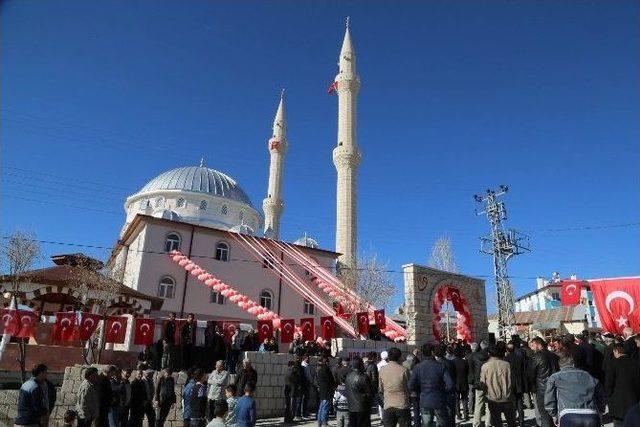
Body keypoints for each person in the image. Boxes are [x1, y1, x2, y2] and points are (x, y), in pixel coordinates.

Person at [544, 346, 605, 427]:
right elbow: (600, 396)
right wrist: (600, 411)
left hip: (568, 414)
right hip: (591, 414)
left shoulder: (554, 378)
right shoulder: (589, 376)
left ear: (560, 366)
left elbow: (549, 398)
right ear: (573, 364)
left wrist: (554, 415)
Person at [408, 342, 453, 427]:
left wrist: (420, 392)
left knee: (426, 424)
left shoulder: (417, 367)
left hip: (424, 399)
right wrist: (443, 392)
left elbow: (410, 385)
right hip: (439, 399)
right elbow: (450, 385)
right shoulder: (441, 366)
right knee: (442, 423)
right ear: (432, 352)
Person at [480, 342, 516, 427]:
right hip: (507, 397)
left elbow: (483, 383)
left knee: (497, 422)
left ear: (489, 354)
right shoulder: (507, 364)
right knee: (511, 422)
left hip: (493, 399)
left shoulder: (485, 366)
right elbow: (512, 380)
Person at [606, 343, 640, 426]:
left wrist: (608, 396)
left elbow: (609, 383)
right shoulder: (636, 363)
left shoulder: (612, 363)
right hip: (634, 401)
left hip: (617, 403)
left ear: (616, 351)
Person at [528, 337, 558, 427]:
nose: (531, 346)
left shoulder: (537, 357)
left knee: (545, 416)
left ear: (538, 344)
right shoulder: (554, 355)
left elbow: (531, 374)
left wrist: (533, 387)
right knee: (554, 414)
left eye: (533, 344)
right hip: (555, 388)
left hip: (542, 390)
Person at [378, 347, 410, 427]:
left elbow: (380, 389)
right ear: (399, 357)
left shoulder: (382, 370)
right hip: (402, 404)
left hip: (388, 404)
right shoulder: (404, 370)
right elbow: (409, 387)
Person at [345, 357, 374, 427]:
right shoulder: (363, 377)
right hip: (362, 407)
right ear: (361, 365)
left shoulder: (348, 376)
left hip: (351, 407)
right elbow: (369, 393)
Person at [505, 340, 528, 427]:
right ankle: (521, 421)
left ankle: (513, 420)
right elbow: (523, 371)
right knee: (519, 402)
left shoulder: (506, 359)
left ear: (507, 350)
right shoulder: (519, 358)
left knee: (512, 404)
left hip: (511, 384)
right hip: (519, 383)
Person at [470, 340, 490, 427]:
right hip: (489, 383)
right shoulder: (490, 356)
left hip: (479, 383)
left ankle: (476, 423)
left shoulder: (475, 356)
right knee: (489, 404)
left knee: (478, 404)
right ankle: (488, 423)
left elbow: (472, 370)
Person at [315, 356, 336, 427]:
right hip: (327, 391)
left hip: (322, 391)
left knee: (321, 407)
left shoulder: (319, 370)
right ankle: (324, 422)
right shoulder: (326, 369)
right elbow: (331, 380)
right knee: (325, 407)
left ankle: (319, 422)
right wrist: (334, 385)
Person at [452, 346, 470, 422]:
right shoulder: (465, 362)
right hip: (464, 382)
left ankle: (458, 415)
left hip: (456, 383)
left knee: (456, 400)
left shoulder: (452, 362)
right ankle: (466, 415)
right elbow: (467, 372)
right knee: (464, 399)